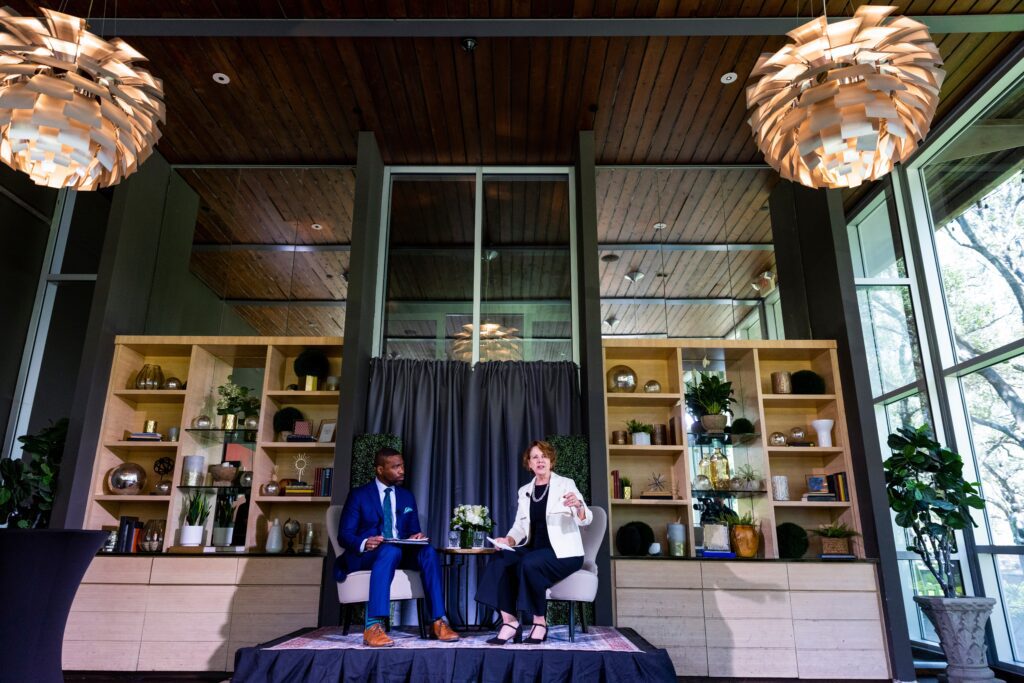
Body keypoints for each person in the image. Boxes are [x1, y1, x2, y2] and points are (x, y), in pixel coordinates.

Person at [335, 447, 459, 647]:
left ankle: (438, 621)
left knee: (428, 551)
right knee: (389, 550)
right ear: (380, 470)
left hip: (398, 552)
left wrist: (416, 537)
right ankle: (373, 626)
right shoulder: (359, 495)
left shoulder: (406, 496)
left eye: (402, 465)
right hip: (367, 554)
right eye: (395, 467)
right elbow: (344, 535)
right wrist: (366, 542)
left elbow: (413, 530)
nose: (402, 470)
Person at [475, 440, 593, 645]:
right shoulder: (525, 491)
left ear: (551, 461)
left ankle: (540, 623)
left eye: (544, 456)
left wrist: (579, 506)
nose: (540, 461)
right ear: (529, 464)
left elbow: (586, 518)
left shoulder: (566, 484)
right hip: (534, 548)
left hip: (565, 553)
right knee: (501, 558)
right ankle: (509, 622)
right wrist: (508, 540)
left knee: (530, 563)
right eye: (535, 457)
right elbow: (519, 527)